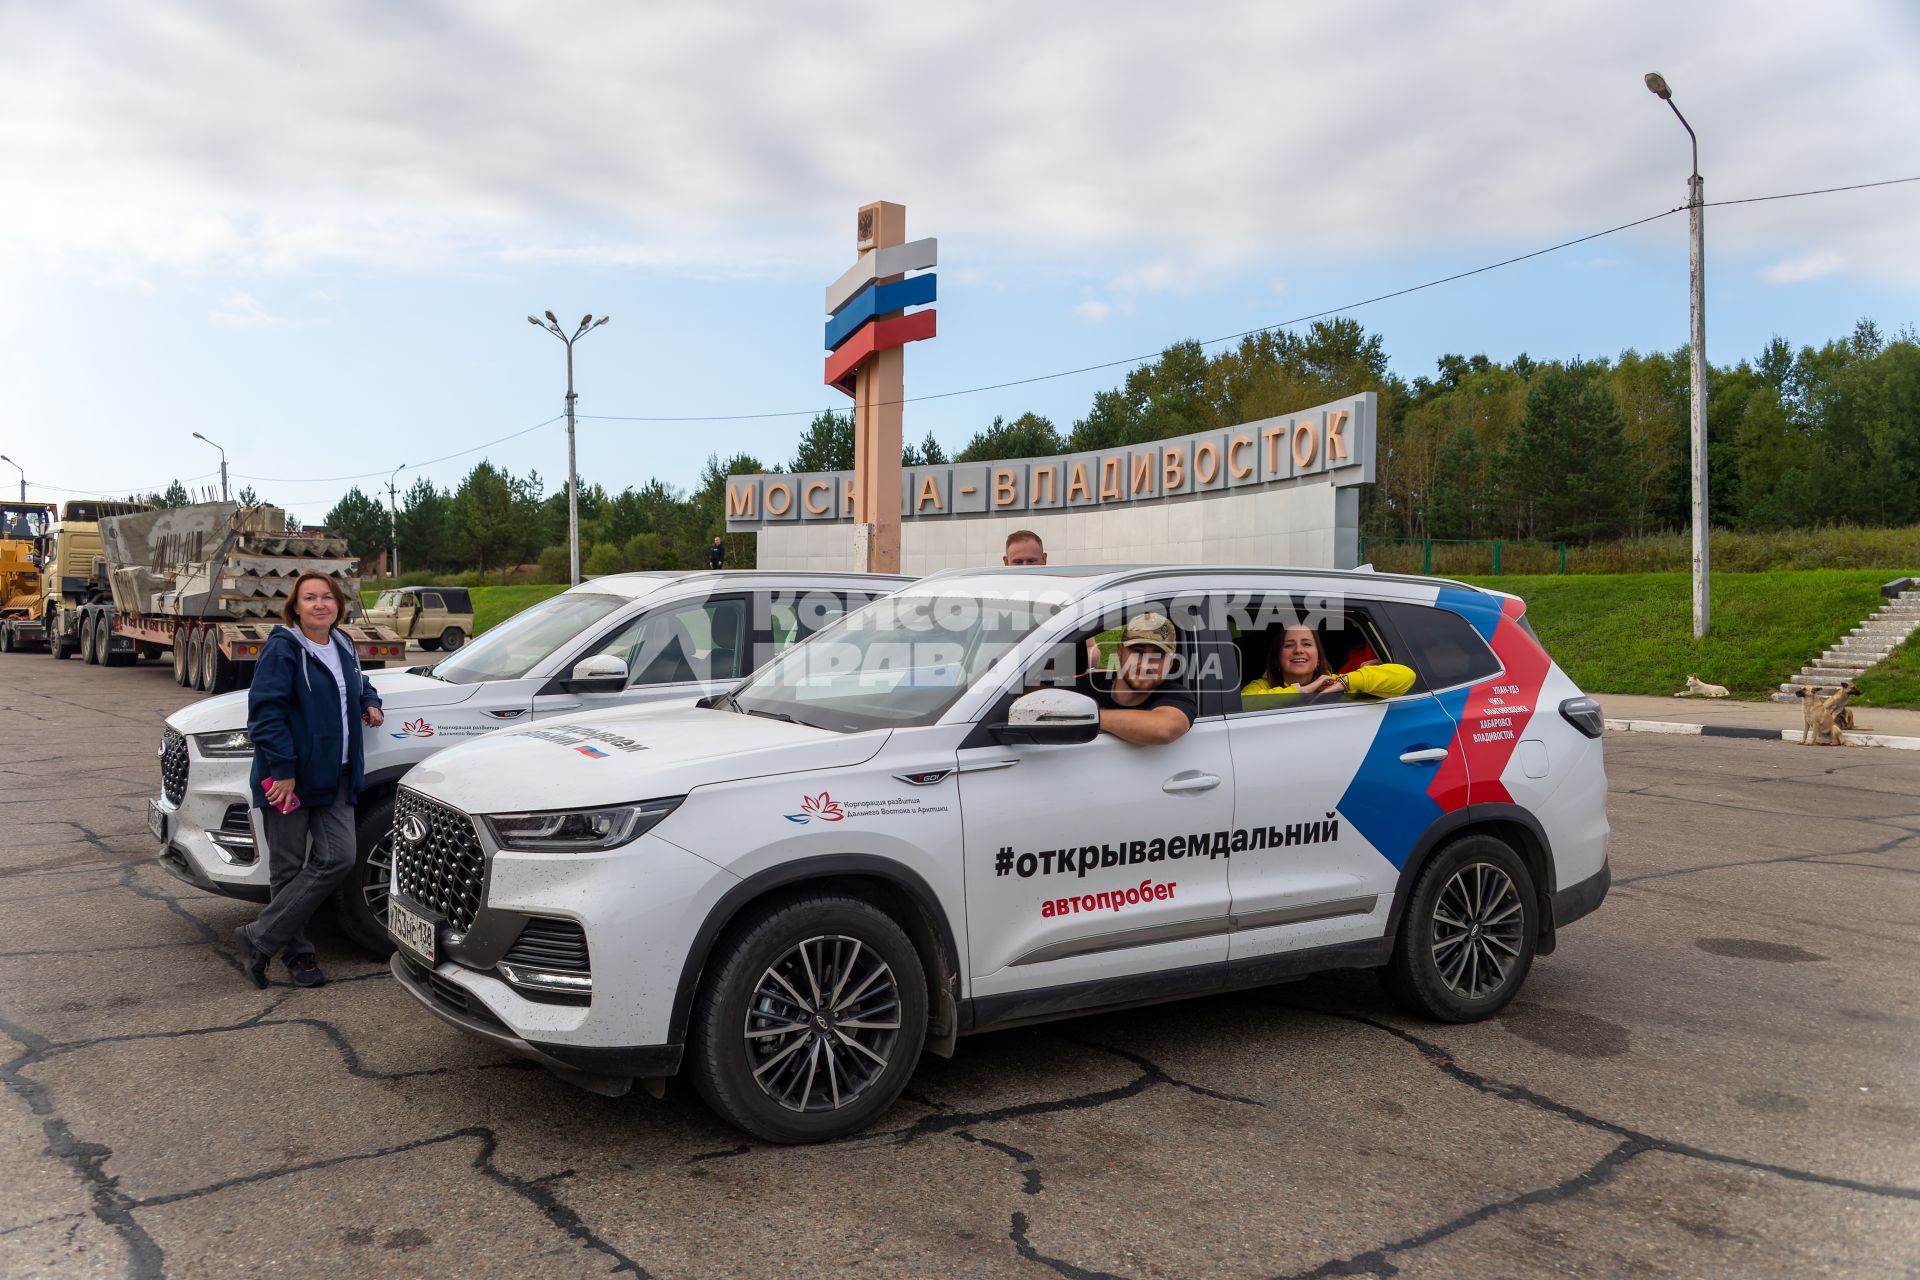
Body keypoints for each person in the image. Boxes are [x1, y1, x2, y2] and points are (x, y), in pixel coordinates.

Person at [237, 572, 385, 989]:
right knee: (287, 867)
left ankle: (258, 937)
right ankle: (298, 956)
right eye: (310, 598)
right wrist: (282, 770)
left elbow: (357, 683)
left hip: (335, 773)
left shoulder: (343, 644)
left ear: (338, 604)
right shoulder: (284, 648)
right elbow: (265, 713)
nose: (320, 604)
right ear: (296, 607)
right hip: (289, 779)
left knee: (339, 857)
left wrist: (369, 701)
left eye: (327, 597)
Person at [1077, 612, 1194, 745]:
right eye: (1138, 651)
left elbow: (1162, 729)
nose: (1145, 665)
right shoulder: (1090, 684)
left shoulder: (1177, 696)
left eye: (1158, 656)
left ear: (1171, 664)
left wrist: (1085, 716)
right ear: (1120, 651)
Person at [1242, 626, 1414, 699]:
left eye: (1307, 644)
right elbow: (1244, 704)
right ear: (1276, 659)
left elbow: (1407, 676)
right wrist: (1306, 690)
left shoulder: (1334, 683)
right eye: (1289, 645)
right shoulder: (1260, 687)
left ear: (1318, 660)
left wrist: (1345, 682)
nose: (1299, 650)